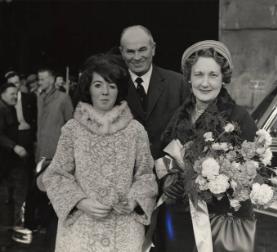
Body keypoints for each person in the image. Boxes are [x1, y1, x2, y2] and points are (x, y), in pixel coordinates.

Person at [42, 54, 158, 252]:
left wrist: (133, 200)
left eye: (112, 86)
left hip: (124, 230)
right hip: (80, 229)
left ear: (119, 90)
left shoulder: (135, 130)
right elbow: (55, 175)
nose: (105, 92)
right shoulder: (73, 129)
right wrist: (80, 201)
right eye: (98, 85)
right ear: (88, 87)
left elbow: (146, 176)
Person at [154, 40, 258, 252]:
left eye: (213, 75)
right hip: (179, 223)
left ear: (223, 78)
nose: (205, 83)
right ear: (189, 78)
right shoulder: (176, 116)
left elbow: (249, 176)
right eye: (199, 74)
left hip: (219, 225)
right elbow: (162, 158)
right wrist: (168, 181)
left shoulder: (239, 118)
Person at [119, 25, 190, 160]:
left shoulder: (178, 83)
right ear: (121, 52)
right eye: (130, 51)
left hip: (171, 175)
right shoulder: (113, 86)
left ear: (153, 49)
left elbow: (189, 134)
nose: (137, 57)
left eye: (142, 50)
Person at [36, 67, 74, 251]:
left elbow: (71, 125)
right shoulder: (39, 98)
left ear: (51, 80)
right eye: (39, 78)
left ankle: (57, 234)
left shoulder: (63, 98)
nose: (40, 81)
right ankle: (46, 232)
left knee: (56, 197)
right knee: (42, 193)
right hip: (40, 154)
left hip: (56, 155)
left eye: (42, 78)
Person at [0, 83, 28, 228]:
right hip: (4, 162)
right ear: (2, 93)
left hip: (8, 163)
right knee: (5, 199)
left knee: (9, 198)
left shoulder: (10, 108)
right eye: (11, 93)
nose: (15, 96)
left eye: (16, 94)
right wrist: (14, 146)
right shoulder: (1, 109)